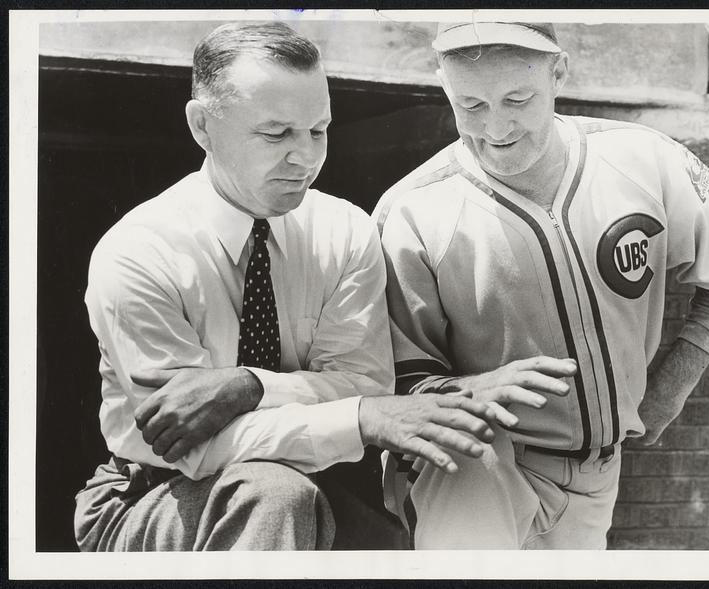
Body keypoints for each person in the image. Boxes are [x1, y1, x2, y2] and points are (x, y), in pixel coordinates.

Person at [74, 21, 501, 552]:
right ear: (202, 126)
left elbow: (364, 384)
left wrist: (250, 385)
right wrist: (358, 417)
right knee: (274, 496)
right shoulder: (140, 251)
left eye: (318, 130)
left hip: (315, 483)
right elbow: (193, 448)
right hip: (154, 492)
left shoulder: (346, 231)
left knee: (403, 543)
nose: (306, 158)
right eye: (276, 134)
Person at [374, 21, 709, 549]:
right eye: (471, 105)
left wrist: (675, 384)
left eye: (517, 98)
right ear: (443, 85)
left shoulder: (642, 157)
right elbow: (393, 381)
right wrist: (461, 393)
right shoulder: (412, 208)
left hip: (599, 476)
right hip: (478, 466)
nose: (496, 128)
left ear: (558, 72)